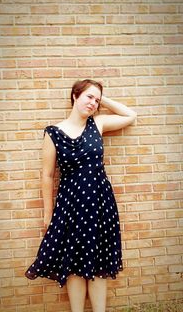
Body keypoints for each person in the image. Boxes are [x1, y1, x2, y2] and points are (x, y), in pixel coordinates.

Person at [25, 79, 137, 312]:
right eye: (89, 97)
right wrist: (48, 214)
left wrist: (101, 98)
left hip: (100, 204)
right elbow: (47, 175)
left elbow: (130, 115)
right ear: (75, 96)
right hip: (70, 205)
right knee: (73, 262)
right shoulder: (53, 133)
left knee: (99, 260)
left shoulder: (98, 124)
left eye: (97, 100)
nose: (93, 103)